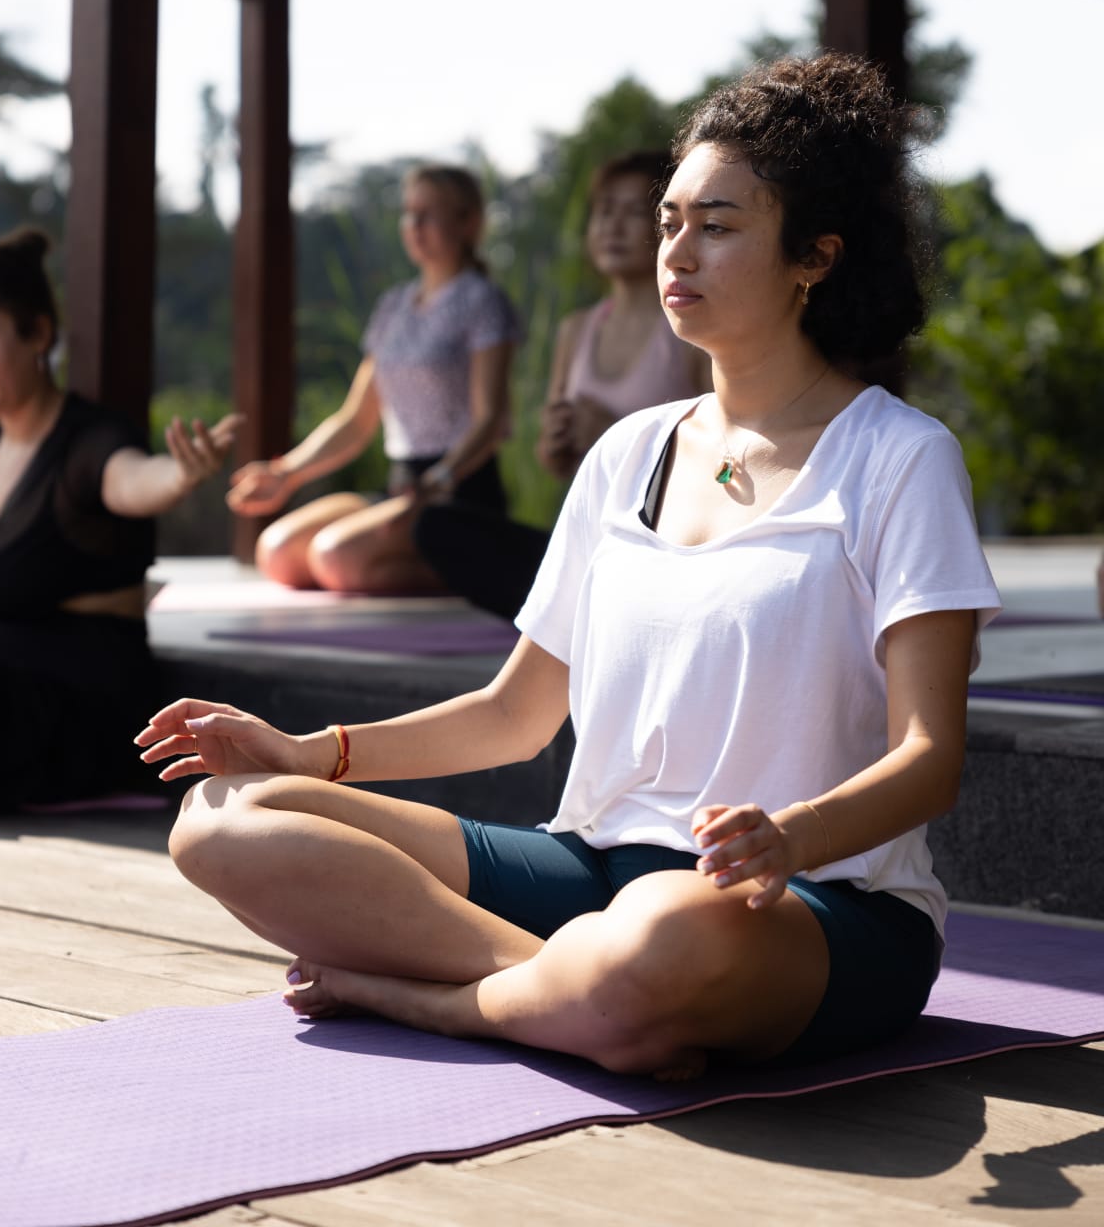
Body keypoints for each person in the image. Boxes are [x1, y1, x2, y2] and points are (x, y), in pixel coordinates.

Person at [138, 54, 1002, 1079]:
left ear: (814, 256)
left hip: (805, 903)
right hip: (593, 872)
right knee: (224, 820)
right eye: (670, 220)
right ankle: (575, 998)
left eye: (716, 226)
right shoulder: (627, 453)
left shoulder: (897, 458)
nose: (673, 250)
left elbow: (927, 756)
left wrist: (792, 837)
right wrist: (303, 750)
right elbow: (516, 714)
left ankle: (454, 999)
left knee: (666, 928)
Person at [0, 227, 240, 810]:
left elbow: (132, 479)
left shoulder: (90, 440)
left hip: (76, 706)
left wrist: (179, 475)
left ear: (39, 335)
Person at [414, 151, 711, 619]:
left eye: (634, 212)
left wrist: (614, 435)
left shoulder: (691, 329)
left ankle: (584, 616)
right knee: (438, 528)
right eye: (604, 211)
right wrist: (556, 446)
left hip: (659, 549)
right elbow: (555, 464)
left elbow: (719, 465)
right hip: (584, 547)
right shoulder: (577, 330)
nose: (613, 226)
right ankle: (576, 613)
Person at [226, 164, 520, 595]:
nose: (414, 226)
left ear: (468, 223)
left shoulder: (482, 301)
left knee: (335, 559)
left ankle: (489, 573)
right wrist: (286, 473)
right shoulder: (394, 307)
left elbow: (490, 419)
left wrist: (437, 481)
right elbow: (356, 420)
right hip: (400, 486)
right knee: (278, 552)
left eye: (429, 214)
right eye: (408, 213)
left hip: (455, 493)